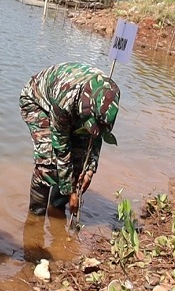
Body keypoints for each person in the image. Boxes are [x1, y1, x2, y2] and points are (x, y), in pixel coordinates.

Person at [19, 63, 120, 217]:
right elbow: (61, 146)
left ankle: (57, 207)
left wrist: (90, 169)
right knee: (48, 163)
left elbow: (97, 136)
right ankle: (35, 216)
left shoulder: (109, 95)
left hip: (71, 106)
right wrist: (71, 191)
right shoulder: (66, 100)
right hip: (38, 101)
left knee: (79, 161)